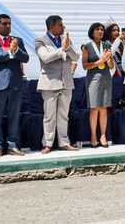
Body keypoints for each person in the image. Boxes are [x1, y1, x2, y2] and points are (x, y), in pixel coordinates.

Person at [0, 14, 30, 157]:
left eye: (9, 24)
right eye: (4, 24)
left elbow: (26, 58)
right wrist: (9, 53)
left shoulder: (17, 41)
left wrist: (16, 50)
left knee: (14, 117)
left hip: (15, 85)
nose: (8, 26)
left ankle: (12, 145)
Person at [35, 15, 80, 153]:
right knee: (49, 116)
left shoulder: (65, 39)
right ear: (52, 26)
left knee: (63, 115)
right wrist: (62, 50)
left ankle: (64, 142)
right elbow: (46, 58)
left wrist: (67, 46)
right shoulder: (40, 40)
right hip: (49, 82)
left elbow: (76, 57)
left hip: (66, 81)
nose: (63, 27)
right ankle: (47, 143)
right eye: (60, 25)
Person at [82, 23, 114, 148]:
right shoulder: (87, 46)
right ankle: (94, 135)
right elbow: (85, 66)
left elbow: (111, 66)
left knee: (104, 108)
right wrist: (99, 62)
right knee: (94, 108)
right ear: (92, 31)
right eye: (97, 29)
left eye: (102, 29)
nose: (100, 31)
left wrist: (109, 58)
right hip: (93, 79)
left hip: (106, 78)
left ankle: (103, 135)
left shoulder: (106, 45)